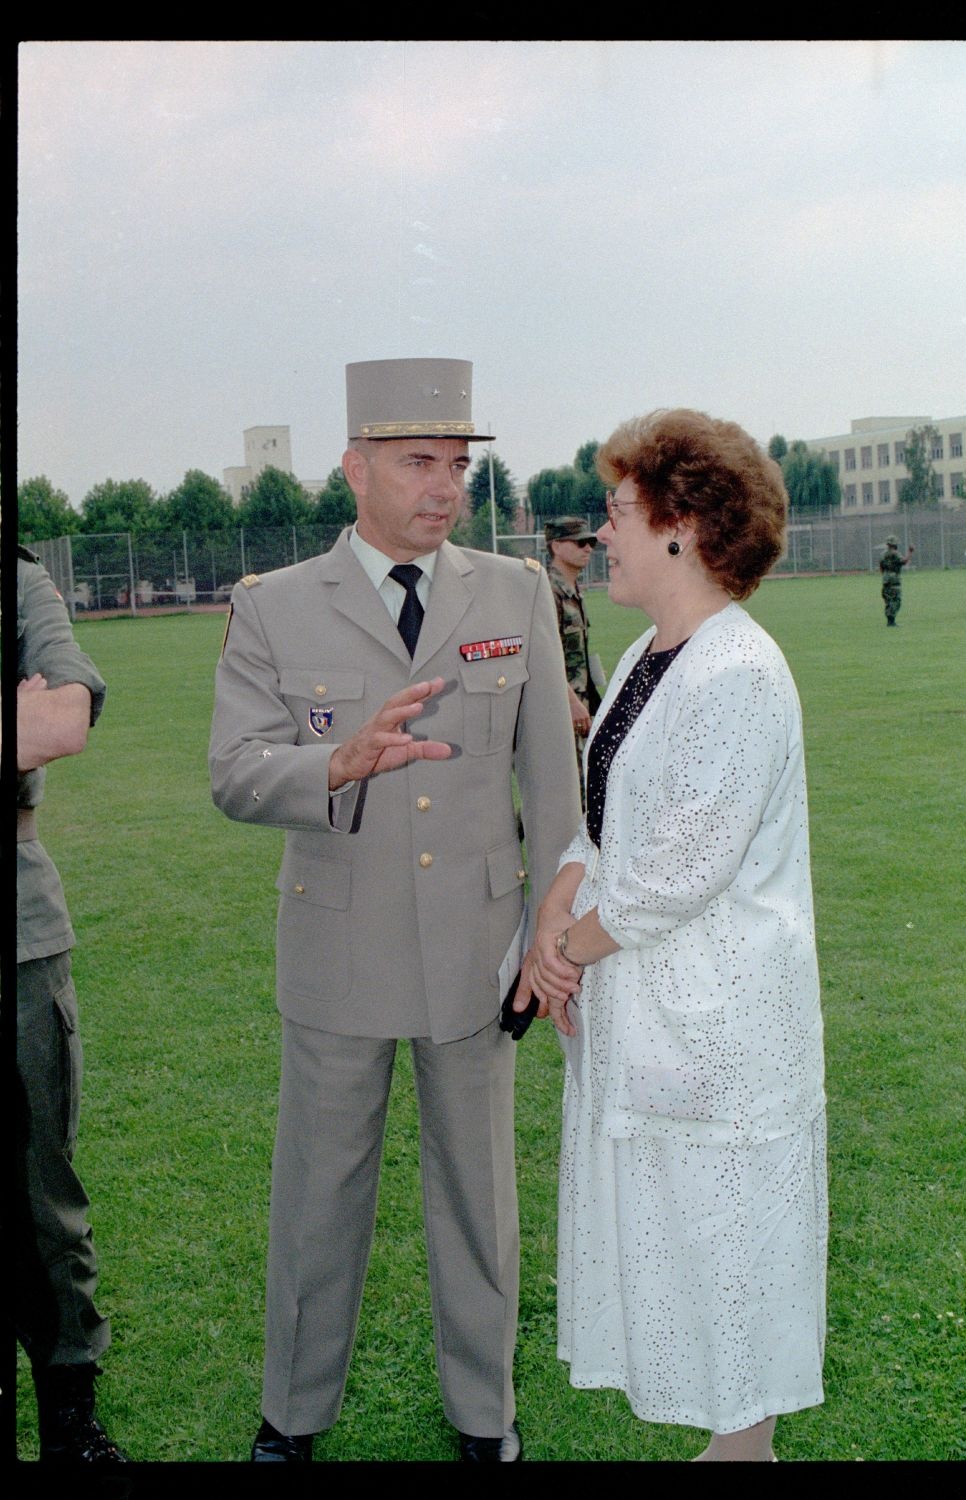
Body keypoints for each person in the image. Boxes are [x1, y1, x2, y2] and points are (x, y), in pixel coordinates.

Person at [209, 358, 579, 1463]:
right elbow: (233, 771)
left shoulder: (512, 592)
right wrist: (333, 765)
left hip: (479, 950)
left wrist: (550, 926)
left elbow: (552, 786)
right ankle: (293, 1419)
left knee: (479, 1204)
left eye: (458, 465)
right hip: (340, 956)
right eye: (418, 462)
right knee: (318, 1202)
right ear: (353, 467)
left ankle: (485, 1419)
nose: (444, 486)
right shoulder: (273, 606)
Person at [514, 408, 827, 1463]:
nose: (602, 534)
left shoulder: (735, 672)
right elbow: (605, 821)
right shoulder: (656, 652)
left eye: (615, 511)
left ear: (681, 522)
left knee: (730, 1242)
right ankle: (732, 1444)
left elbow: (676, 875)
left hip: (720, 1028)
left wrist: (560, 952)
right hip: (651, 1016)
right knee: (688, 1248)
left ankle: (746, 1447)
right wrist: (557, 901)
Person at [15, 546, 128, 1466]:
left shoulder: (18, 582)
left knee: (38, 1194)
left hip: (15, 937)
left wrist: (34, 715)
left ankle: (68, 1414)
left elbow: (59, 717)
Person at [545, 516, 604, 805]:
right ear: (556, 546)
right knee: (566, 795)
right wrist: (570, 702)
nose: (588, 548)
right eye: (580, 542)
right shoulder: (547, 591)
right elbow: (544, 654)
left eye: (591, 542)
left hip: (580, 705)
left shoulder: (573, 590)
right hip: (560, 709)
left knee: (582, 789)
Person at [879, 534, 914, 626]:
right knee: (896, 600)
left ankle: (889, 621)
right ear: (894, 544)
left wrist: (885, 576)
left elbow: (881, 567)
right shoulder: (895, 553)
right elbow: (904, 561)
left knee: (888, 600)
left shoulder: (882, 554)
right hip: (894, 580)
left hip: (885, 579)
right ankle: (892, 621)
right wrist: (910, 552)